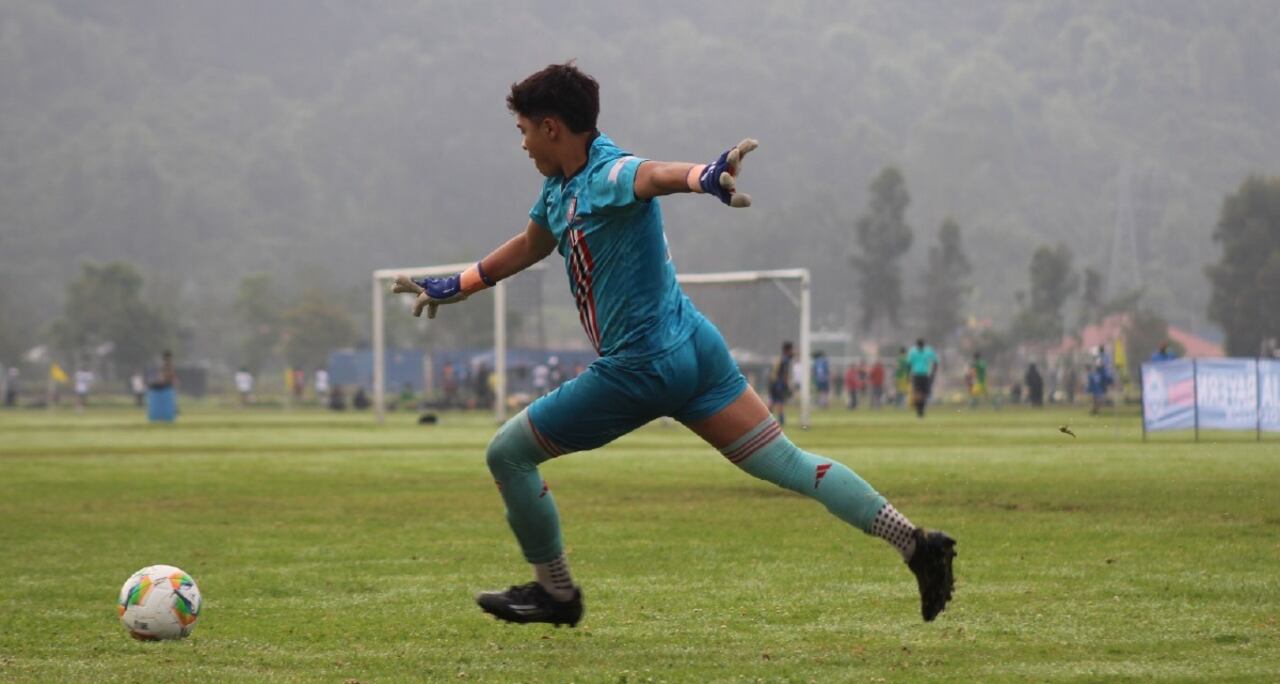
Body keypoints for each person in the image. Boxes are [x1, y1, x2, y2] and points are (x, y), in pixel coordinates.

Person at [390, 63, 955, 628]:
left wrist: (704, 177)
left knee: (506, 455)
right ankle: (916, 544)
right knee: (789, 461)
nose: (522, 143)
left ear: (553, 127)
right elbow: (533, 242)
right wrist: (460, 283)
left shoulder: (608, 172)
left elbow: (653, 175)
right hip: (695, 349)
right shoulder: (560, 188)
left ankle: (556, 592)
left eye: (524, 130)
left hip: (639, 369)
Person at [906, 338, 938, 418]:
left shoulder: (926, 351)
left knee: (924, 393)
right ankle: (919, 410)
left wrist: (933, 373)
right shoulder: (913, 352)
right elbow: (909, 364)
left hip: (923, 374)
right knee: (918, 393)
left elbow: (935, 361)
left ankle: (921, 409)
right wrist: (908, 374)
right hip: (917, 374)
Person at [768, 341, 796, 425]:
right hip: (778, 384)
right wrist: (788, 386)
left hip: (773, 383)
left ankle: (764, 419)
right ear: (788, 350)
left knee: (772, 401)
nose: (793, 351)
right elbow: (784, 374)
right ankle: (781, 420)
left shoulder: (781, 358)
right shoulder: (785, 360)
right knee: (779, 401)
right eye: (792, 349)